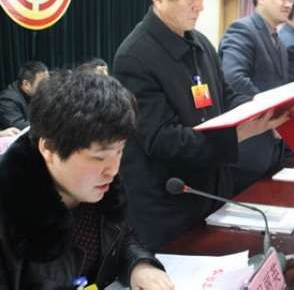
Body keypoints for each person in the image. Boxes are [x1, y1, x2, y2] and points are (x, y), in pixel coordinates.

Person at [113, 0, 286, 250]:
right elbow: (162, 140)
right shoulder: (134, 57)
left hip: (212, 193)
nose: (201, 6)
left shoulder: (200, 44)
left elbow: (225, 96)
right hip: (169, 207)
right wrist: (238, 134)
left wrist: (259, 109)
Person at [0, 70, 174, 290]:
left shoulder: (101, 190)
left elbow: (121, 240)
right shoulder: (9, 216)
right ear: (49, 148)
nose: (113, 170)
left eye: (119, 151)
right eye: (99, 157)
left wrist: (139, 265)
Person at [219, 0, 292, 193]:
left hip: (272, 151)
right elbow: (234, 79)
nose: (288, 4)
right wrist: (274, 113)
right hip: (247, 152)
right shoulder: (242, 30)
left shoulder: (279, 41)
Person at [0, 61, 48, 130]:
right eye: (42, 83)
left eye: (48, 81)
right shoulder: (7, 100)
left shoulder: (40, 92)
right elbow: (21, 128)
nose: (46, 86)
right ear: (26, 84)